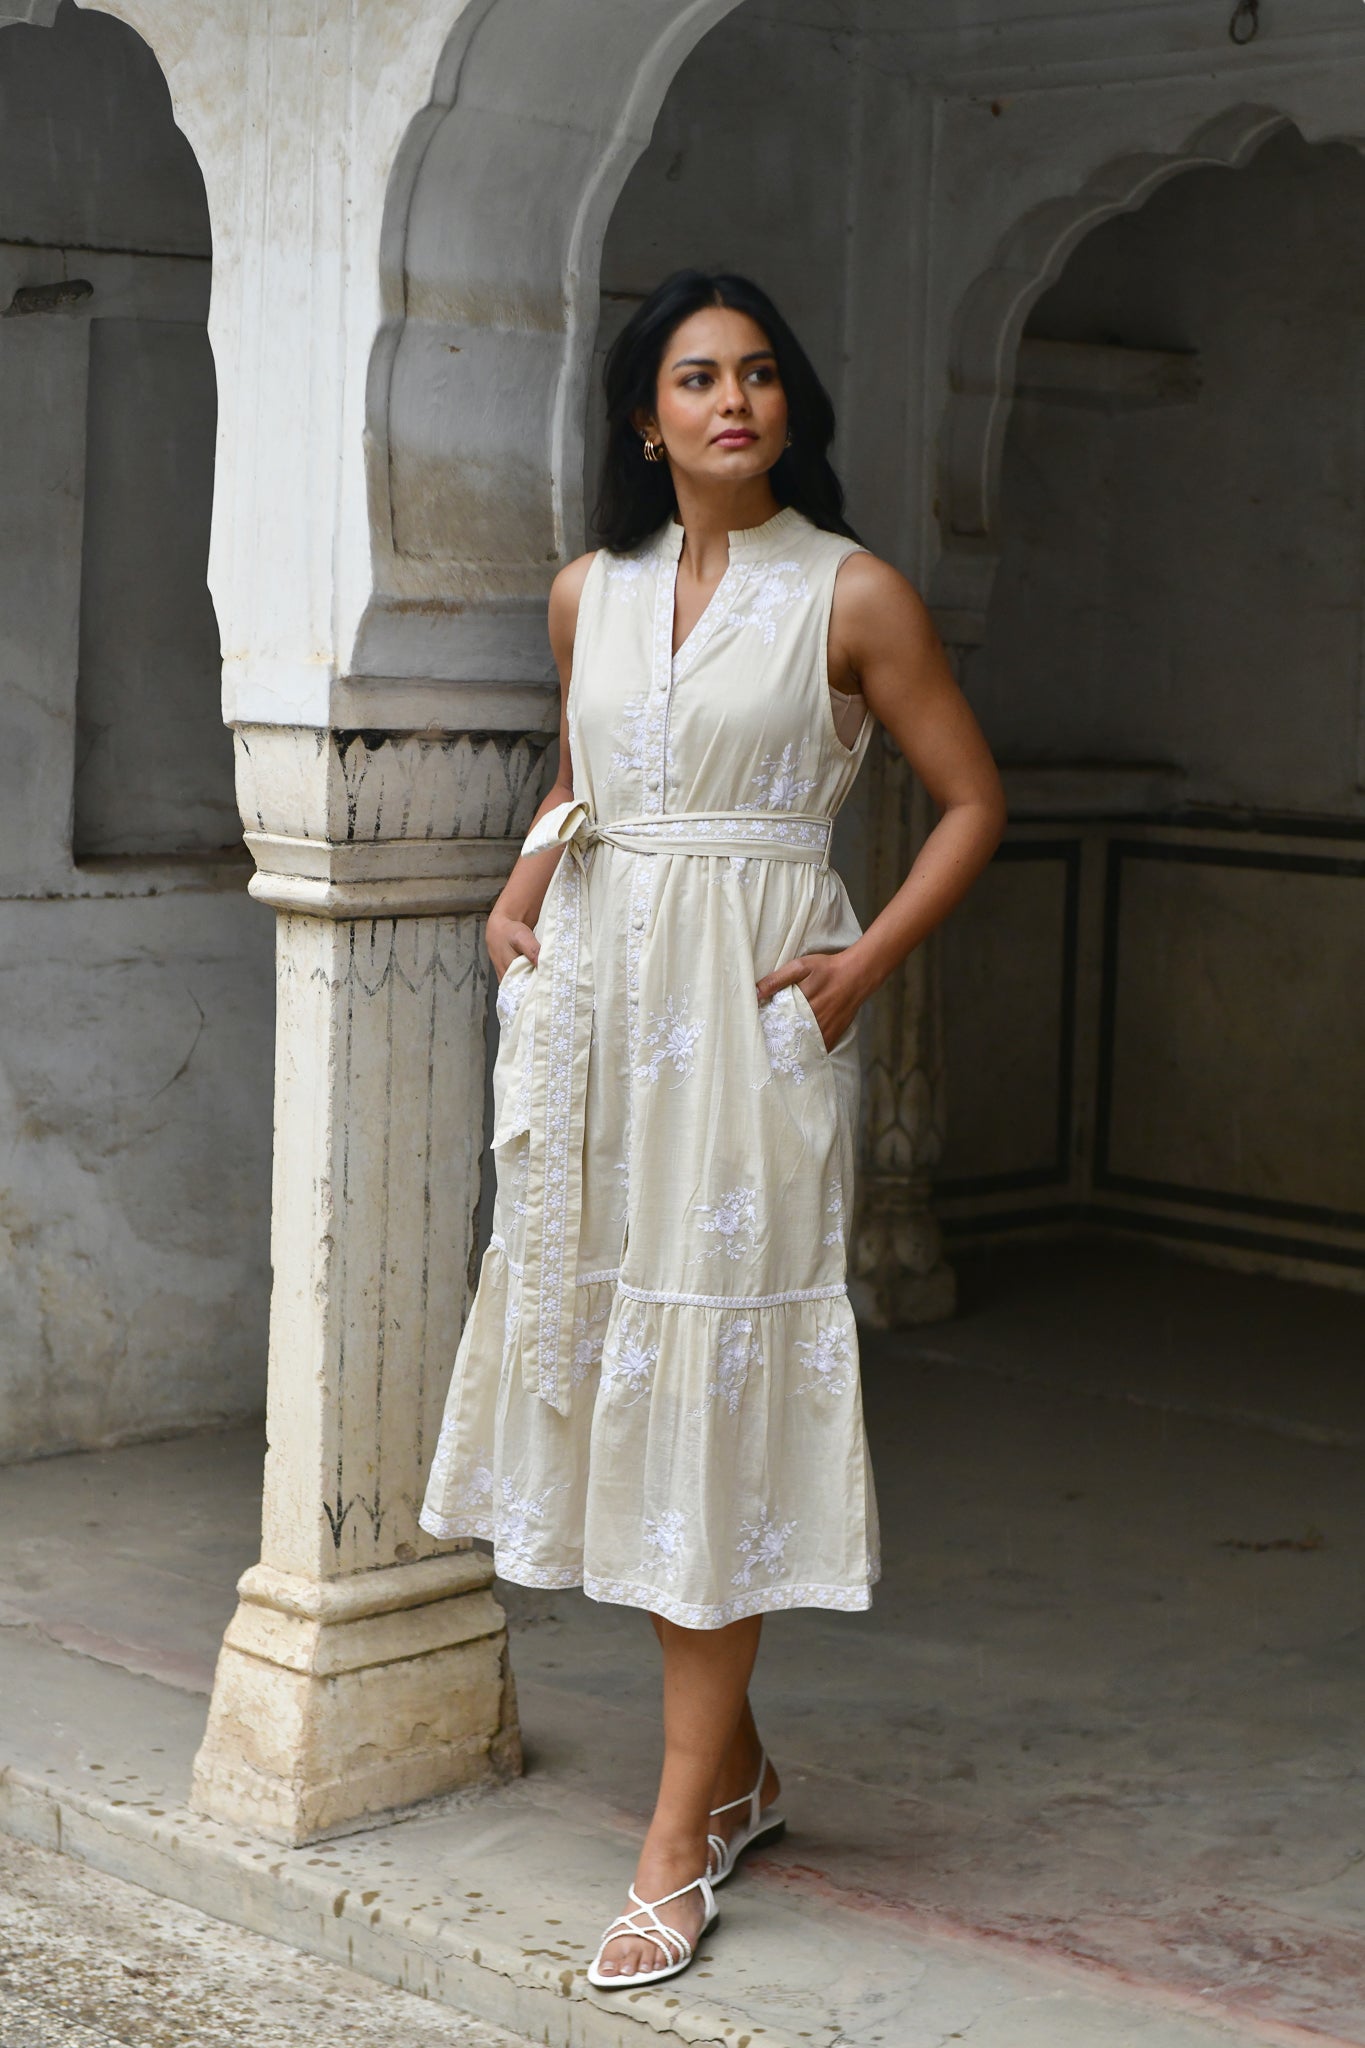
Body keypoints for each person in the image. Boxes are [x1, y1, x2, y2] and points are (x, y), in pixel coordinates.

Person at [419, 268, 1006, 1991]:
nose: (730, 400)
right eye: (694, 377)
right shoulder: (585, 592)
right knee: (605, 1364)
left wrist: (860, 969)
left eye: (756, 373)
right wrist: (517, 891)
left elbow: (971, 800)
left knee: (711, 1397)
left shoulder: (850, 591)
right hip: (597, 1017)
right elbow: (585, 774)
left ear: (786, 404)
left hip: (749, 1025)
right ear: (643, 417)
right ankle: (733, 1773)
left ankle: (675, 1839)